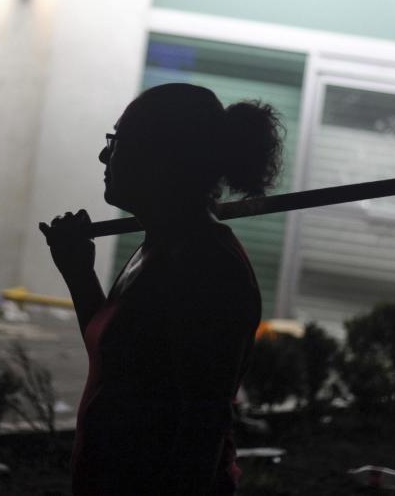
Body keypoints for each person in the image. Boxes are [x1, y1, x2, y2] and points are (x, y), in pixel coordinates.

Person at [39, 83, 285, 495]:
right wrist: (78, 274)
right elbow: (117, 363)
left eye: (116, 141)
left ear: (161, 157)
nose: (104, 155)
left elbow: (200, 430)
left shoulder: (208, 266)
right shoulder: (158, 246)